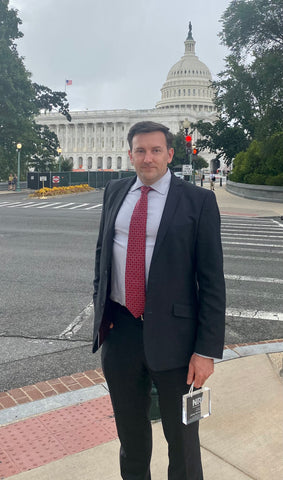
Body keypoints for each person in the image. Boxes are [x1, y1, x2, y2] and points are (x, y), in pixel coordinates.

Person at [92, 121, 225, 480]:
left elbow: (212, 281)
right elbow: (103, 256)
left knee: (183, 441)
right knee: (131, 440)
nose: (147, 158)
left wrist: (207, 349)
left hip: (178, 341)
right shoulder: (116, 191)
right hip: (121, 334)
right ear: (131, 154)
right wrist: (101, 316)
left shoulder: (198, 200)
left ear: (169, 153)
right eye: (140, 150)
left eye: (155, 150)